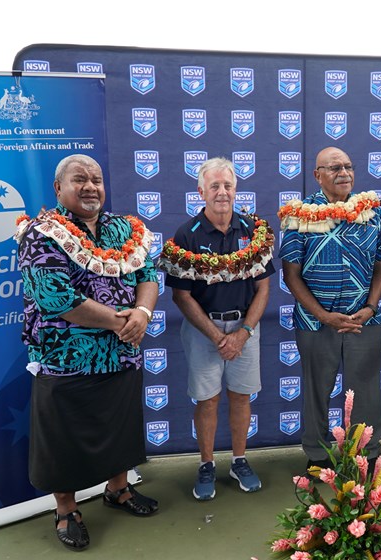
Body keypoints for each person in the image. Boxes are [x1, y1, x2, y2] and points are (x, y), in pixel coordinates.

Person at [17, 154, 159, 552]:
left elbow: (147, 275)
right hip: (67, 359)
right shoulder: (40, 233)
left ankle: (119, 490)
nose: (91, 186)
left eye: (96, 179)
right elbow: (54, 297)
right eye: (80, 179)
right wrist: (120, 321)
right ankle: (66, 510)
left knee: (119, 426)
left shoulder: (124, 228)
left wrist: (143, 313)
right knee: (64, 437)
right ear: (58, 188)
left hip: (122, 354)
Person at [160, 157, 275, 499]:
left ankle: (240, 460)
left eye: (227, 186)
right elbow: (181, 296)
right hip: (203, 330)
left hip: (245, 328)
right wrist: (217, 336)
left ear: (236, 189)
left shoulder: (254, 231)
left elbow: (264, 288)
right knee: (208, 400)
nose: (222, 192)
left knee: (241, 396)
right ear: (201, 191)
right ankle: (207, 464)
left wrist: (242, 333)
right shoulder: (186, 234)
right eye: (214, 186)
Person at [278, 146, 381, 470]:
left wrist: (371, 307)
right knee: (316, 392)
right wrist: (323, 315)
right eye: (334, 168)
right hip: (316, 323)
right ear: (317, 175)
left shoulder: (372, 212)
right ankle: (317, 457)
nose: (343, 173)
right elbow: (291, 274)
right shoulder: (298, 217)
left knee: (366, 393)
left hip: (363, 321)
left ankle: (367, 457)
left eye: (348, 166)